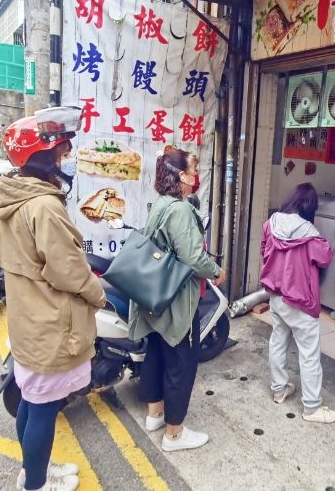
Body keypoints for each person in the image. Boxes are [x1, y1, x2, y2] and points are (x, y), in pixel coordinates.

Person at [0, 109, 105, 491]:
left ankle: (32, 470)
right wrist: (98, 294)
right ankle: (36, 484)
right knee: (42, 407)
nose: (65, 159)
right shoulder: (45, 206)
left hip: (28, 320)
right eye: (60, 154)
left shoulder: (16, 196)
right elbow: (70, 272)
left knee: (31, 400)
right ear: (42, 158)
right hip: (50, 323)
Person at [129, 148, 227, 452]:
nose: (196, 176)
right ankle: (174, 434)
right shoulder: (181, 210)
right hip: (176, 301)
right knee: (182, 363)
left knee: (157, 354)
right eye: (193, 170)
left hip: (157, 297)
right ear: (181, 175)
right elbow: (193, 257)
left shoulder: (162, 203)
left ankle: (155, 414)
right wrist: (216, 271)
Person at [260, 183, 335, 424]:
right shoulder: (311, 235)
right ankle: (312, 408)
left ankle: (279, 390)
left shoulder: (270, 224)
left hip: (276, 295)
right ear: (308, 207)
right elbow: (326, 258)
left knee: (278, 341)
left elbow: (264, 250)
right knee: (309, 354)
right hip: (301, 301)